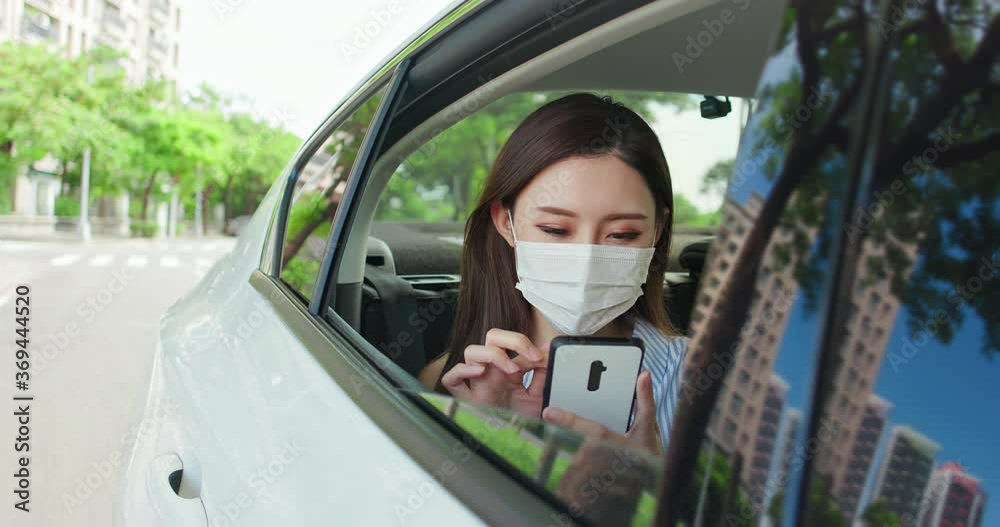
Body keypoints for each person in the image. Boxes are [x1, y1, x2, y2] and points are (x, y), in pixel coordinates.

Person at [418, 93, 687, 453]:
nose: (587, 259)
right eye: (556, 230)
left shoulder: (705, 381)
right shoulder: (452, 381)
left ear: (656, 231)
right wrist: (484, 435)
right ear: (506, 223)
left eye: (622, 234)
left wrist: (655, 486)